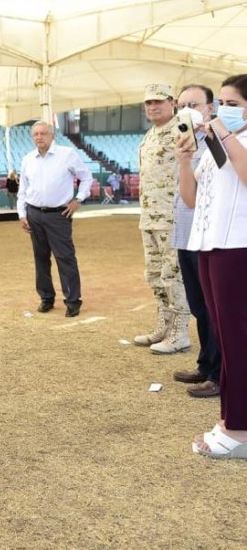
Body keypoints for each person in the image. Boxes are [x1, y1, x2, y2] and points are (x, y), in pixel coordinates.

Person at [177, 74, 247, 458]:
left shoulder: (236, 140)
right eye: (220, 103)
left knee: (238, 338)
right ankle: (231, 419)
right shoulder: (213, 145)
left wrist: (221, 130)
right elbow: (190, 198)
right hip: (207, 245)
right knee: (224, 335)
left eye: (232, 104)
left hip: (237, 248)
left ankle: (239, 428)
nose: (222, 110)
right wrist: (185, 160)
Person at [170, 84, 221, 398]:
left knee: (215, 309)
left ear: (210, 108)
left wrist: (211, 131)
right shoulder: (183, 141)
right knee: (200, 307)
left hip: (208, 236)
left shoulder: (218, 142)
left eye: (194, 103)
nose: (186, 109)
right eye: (182, 104)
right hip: (186, 236)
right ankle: (206, 364)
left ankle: (218, 374)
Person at [133, 83, 192, 353]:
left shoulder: (182, 128)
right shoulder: (150, 135)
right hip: (150, 217)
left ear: (173, 102)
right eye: (148, 103)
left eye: (158, 101)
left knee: (174, 275)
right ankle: (164, 326)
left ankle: (181, 333)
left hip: (173, 217)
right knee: (154, 275)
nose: (152, 106)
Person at [17, 121, 92, 317]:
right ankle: (46, 298)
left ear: (52, 136)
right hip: (34, 214)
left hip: (59, 215)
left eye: (43, 133)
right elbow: (22, 190)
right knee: (40, 259)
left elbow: (86, 177)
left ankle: (73, 301)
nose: (39, 137)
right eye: (35, 134)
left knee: (65, 258)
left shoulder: (67, 155)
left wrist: (78, 200)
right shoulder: (27, 159)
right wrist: (22, 214)